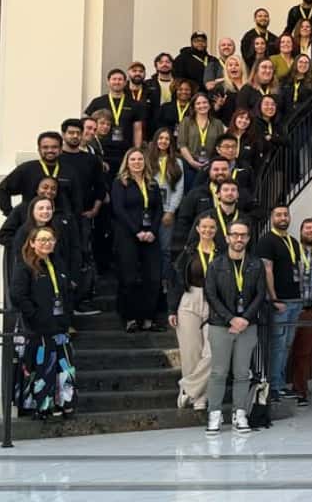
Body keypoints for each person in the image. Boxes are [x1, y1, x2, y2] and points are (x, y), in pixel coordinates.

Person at [203, 220, 266, 435]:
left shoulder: (256, 264)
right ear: (228, 237)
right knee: (219, 372)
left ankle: (240, 413)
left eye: (243, 235)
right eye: (235, 235)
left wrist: (245, 318)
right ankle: (214, 413)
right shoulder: (216, 264)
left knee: (241, 373)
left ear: (248, 238)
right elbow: (210, 295)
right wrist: (231, 318)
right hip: (221, 325)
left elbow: (260, 295)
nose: (239, 239)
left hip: (248, 326)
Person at [11, 226, 77, 418]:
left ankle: (65, 403)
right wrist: (35, 316)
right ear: (32, 243)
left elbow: (65, 293)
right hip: (39, 329)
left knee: (64, 368)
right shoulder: (24, 266)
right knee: (43, 368)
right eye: (42, 240)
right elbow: (18, 295)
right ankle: (43, 406)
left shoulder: (57, 264)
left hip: (60, 327)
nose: (47, 243)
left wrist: (67, 316)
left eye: (50, 240)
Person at [168, 214, 218, 411]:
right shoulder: (188, 252)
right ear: (197, 229)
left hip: (214, 303)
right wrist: (172, 309)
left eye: (212, 227)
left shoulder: (222, 253)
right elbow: (176, 281)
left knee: (212, 353)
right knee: (191, 353)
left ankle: (187, 388)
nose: (207, 231)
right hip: (189, 299)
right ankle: (199, 398)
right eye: (204, 227)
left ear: (216, 230)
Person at [111, 149, 164, 333]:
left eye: (140, 159)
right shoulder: (120, 183)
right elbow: (119, 209)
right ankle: (130, 318)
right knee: (129, 278)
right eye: (132, 159)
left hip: (150, 236)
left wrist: (153, 231)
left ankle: (149, 318)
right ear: (127, 162)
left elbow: (158, 210)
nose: (136, 162)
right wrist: (137, 231)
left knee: (153, 278)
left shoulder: (152, 183)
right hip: (128, 235)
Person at [257, 205, 303, 401]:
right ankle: (273, 387)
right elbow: (267, 270)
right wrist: (274, 298)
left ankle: (281, 383)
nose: (283, 217)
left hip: (295, 301)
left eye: (285, 214)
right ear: (272, 218)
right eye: (278, 215)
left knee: (286, 345)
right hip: (280, 302)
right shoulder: (267, 241)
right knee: (277, 345)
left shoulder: (292, 241)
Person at [285, 217, 312, 406]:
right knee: (284, 350)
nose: (311, 231)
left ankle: (300, 391)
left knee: (304, 353)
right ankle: (280, 388)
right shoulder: (292, 250)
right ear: (301, 231)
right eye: (307, 228)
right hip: (293, 309)